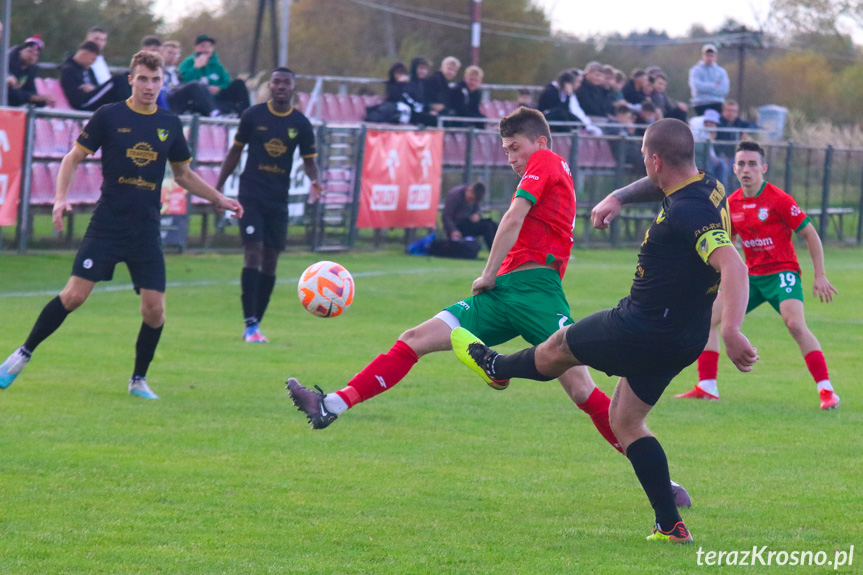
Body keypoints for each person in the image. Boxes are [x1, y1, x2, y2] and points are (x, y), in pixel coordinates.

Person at [451, 118, 758, 544]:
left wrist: (732, 330)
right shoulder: (706, 183)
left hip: (641, 326)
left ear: (654, 160)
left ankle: (496, 364)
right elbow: (659, 183)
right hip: (681, 337)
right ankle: (670, 524)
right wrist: (617, 196)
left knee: (558, 346)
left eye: (643, 160)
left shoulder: (690, 211)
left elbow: (732, 264)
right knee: (626, 421)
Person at [0, 50, 243, 398]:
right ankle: (20, 357)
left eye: (156, 80)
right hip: (107, 225)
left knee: (155, 309)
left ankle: (138, 380)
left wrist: (220, 199)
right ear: (131, 79)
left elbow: (184, 174)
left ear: (162, 83)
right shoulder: (109, 116)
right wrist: (60, 198)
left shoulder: (169, 124)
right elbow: (73, 158)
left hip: (145, 229)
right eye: (143, 78)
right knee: (73, 296)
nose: (149, 86)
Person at [676, 141, 840, 410]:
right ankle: (707, 387)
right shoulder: (731, 204)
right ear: (734, 168)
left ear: (763, 168)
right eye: (741, 164)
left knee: (795, 324)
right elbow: (725, 245)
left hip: (782, 273)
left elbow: (810, 234)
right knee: (707, 318)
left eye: (752, 164)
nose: (746, 169)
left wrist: (819, 275)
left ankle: (826, 390)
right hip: (750, 277)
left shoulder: (778, 199)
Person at [215, 67, 323, 343]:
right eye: (276, 82)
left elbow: (309, 161)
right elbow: (235, 152)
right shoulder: (253, 116)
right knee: (253, 252)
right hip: (251, 194)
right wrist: (218, 188)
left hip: (278, 199)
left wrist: (315, 181)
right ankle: (249, 322)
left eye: (286, 82)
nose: (281, 87)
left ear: (293, 88)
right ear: (270, 87)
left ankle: (256, 324)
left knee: (271, 262)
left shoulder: (300, 123)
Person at [178, 35, 250, 115]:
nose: (206, 49)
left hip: (218, 97)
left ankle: (247, 114)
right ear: (195, 48)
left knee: (239, 83)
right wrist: (196, 68)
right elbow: (184, 82)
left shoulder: (217, 66)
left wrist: (219, 88)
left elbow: (227, 81)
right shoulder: (188, 63)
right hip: (199, 100)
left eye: (209, 47)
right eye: (203, 46)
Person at [60, 41, 131, 111]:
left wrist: (93, 88)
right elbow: (75, 94)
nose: (92, 62)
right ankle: (128, 109)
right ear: (84, 53)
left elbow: (95, 85)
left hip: (92, 97)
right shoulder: (69, 69)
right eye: (92, 59)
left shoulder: (88, 69)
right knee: (117, 80)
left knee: (126, 76)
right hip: (83, 103)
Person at [159, 40, 216, 116]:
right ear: (161, 53)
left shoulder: (176, 71)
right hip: (165, 102)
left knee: (202, 87)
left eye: (176, 54)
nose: (172, 57)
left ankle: (213, 115)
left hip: (179, 101)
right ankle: (213, 113)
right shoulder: (158, 70)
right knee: (194, 86)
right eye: (169, 53)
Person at [441, 181, 497, 249]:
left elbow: (478, 209)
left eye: (474, 201)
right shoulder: (455, 195)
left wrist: (477, 214)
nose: (472, 202)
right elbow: (446, 216)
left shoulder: (474, 197)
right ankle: (493, 252)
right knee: (487, 227)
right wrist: (453, 230)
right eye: (471, 199)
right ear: (468, 190)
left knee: (492, 224)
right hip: (457, 227)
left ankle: (501, 251)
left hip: (468, 222)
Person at [6, 35, 55, 108]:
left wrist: (44, 100)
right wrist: (34, 98)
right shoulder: (6, 62)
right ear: (20, 51)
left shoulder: (31, 69)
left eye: (36, 55)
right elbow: (10, 93)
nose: (32, 56)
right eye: (29, 51)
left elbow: (31, 91)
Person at [689, 44, 729, 116]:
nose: (709, 58)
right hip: (700, 104)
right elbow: (697, 87)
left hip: (717, 104)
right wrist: (714, 85)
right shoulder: (695, 70)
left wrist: (705, 87)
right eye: (707, 55)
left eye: (711, 55)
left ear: (715, 56)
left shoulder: (721, 71)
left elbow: (724, 90)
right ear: (703, 56)